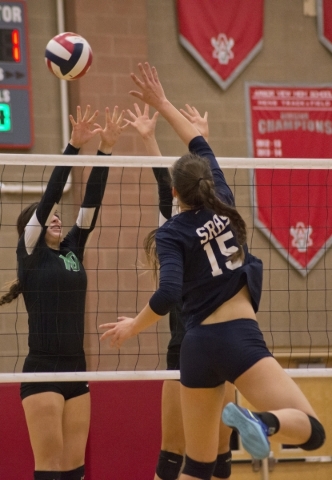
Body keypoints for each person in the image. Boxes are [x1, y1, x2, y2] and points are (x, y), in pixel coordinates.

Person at [100, 63, 325, 480]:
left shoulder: (170, 233)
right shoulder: (223, 196)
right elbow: (197, 140)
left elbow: (168, 294)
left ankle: (255, 427)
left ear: (173, 193)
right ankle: (264, 424)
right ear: (206, 178)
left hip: (196, 346)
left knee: (198, 468)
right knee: (312, 432)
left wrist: (133, 326)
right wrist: (163, 102)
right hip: (238, 338)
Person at [0, 105, 126, 480]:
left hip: (77, 367)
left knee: (75, 470)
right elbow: (52, 192)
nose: (56, 215)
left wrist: (105, 151)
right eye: (48, 215)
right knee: (50, 469)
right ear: (31, 232)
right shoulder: (31, 254)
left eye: (58, 214)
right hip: (42, 371)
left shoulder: (73, 250)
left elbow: (90, 205)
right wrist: (72, 147)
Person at [126, 102, 235, 480]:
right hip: (200, 346)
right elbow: (177, 182)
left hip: (206, 341)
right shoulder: (175, 229)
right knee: (182, 455)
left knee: (214, 458)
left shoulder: (198, 223)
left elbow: (193, 182)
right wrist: (153, 139)